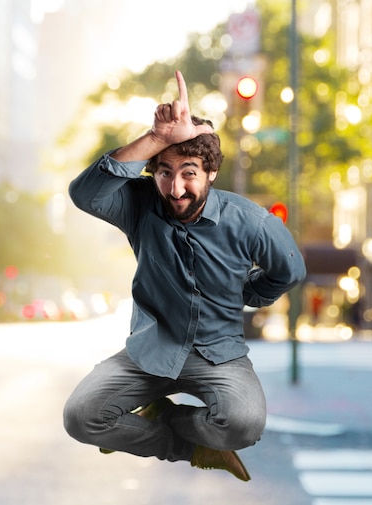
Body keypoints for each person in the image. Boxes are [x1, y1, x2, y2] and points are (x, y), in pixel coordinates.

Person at [63, 71, 306, 481]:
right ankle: (186, 444)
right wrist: (156, 138)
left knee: (244, 424)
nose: (176, 188)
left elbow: (290, 270)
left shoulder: (250, 222)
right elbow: (84, 193)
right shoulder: (139, 207)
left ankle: (171, 420)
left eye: (189, 172)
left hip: (218, 354)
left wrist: (250, 292)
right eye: (164, 172)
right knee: (82, 417)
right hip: (150, 351)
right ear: (152, 173)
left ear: (210, 172)